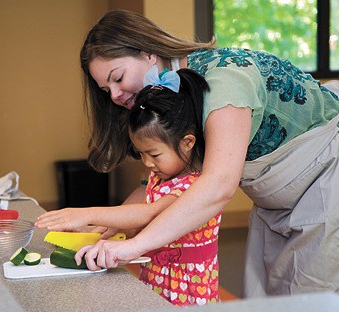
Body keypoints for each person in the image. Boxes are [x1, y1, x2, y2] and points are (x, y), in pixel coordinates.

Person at [65, 9, 339, 298]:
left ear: (148, 53)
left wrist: (134, 246)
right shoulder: (169, 98)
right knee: (275, 296)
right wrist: (110, 224)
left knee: (317, 296)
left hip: (332, 170)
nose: (114, 95)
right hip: (279, 196)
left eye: (118, 78)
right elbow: (160, 183)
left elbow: (218, 186)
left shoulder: (223, 82)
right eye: (105, 90)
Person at [37, 68, 221, 306]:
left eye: (154, 153)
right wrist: (105, 230)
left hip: (189, 288)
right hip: (157, 278)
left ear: (187, 142)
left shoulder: (196, 186)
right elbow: (142, 221)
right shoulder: (161, 177)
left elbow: (149, 213)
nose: (147, 163)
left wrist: (85, 213)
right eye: (141, 153)